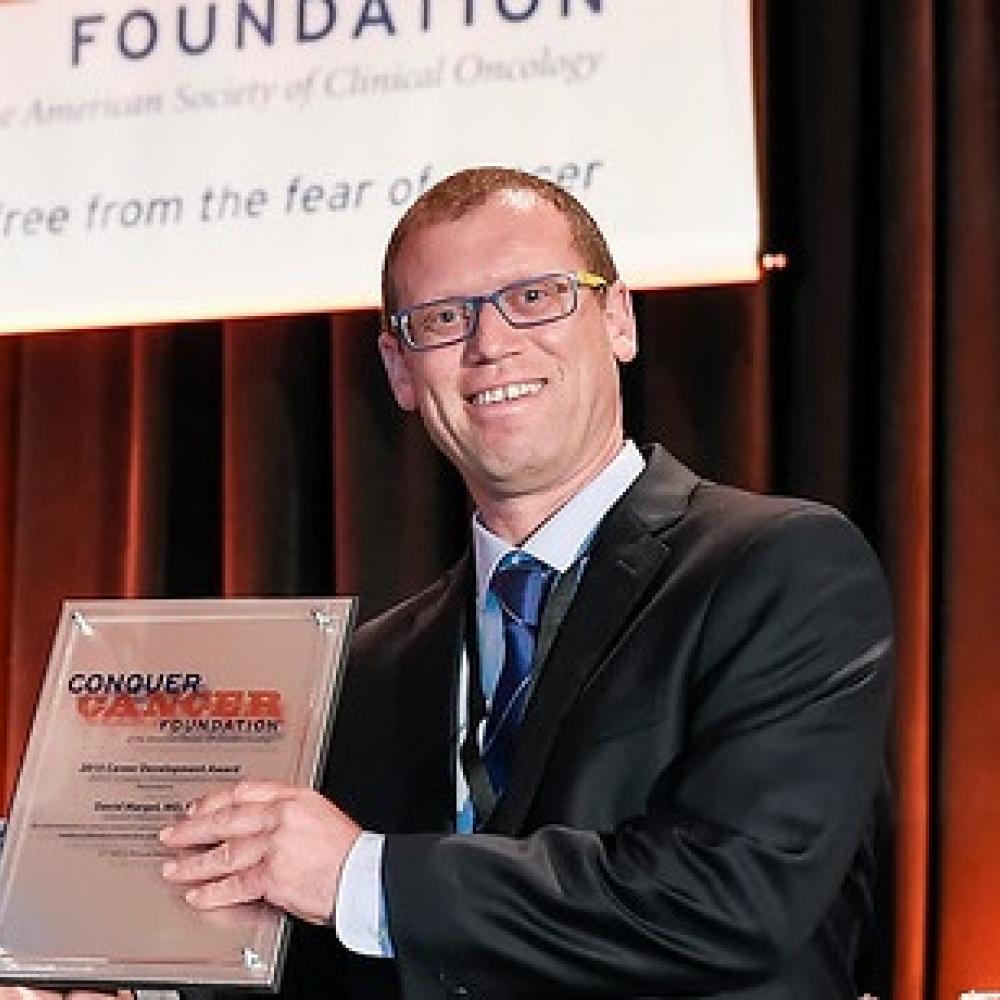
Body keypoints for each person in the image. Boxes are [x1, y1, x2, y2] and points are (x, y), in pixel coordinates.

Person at [6, 166, 893, 1000]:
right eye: (441, 319)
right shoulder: (373, 663)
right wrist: (135, 975)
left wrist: (364, 873)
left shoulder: (778, 568)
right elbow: (351, 948)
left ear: (619, 319)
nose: (492, 344)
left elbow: (730, 896)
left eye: (535, 297)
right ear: (399, 369)